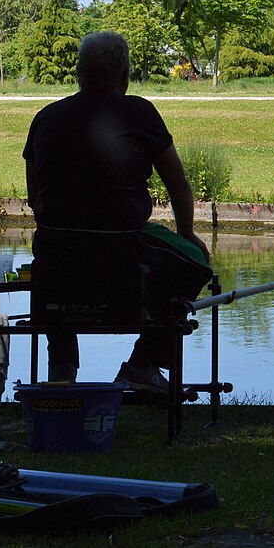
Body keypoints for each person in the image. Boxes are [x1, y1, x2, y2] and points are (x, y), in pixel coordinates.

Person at [23, 31, 211, 390]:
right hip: (124, 250)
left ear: (78, 74)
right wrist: (187, 234)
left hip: (57, 251)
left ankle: (62, 367)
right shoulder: (139, 112)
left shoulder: (46, 118)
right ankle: (143, 364)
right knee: (196, 263)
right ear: (124, 76)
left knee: (50, 252)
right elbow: (178, 184)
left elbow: (36, 199)